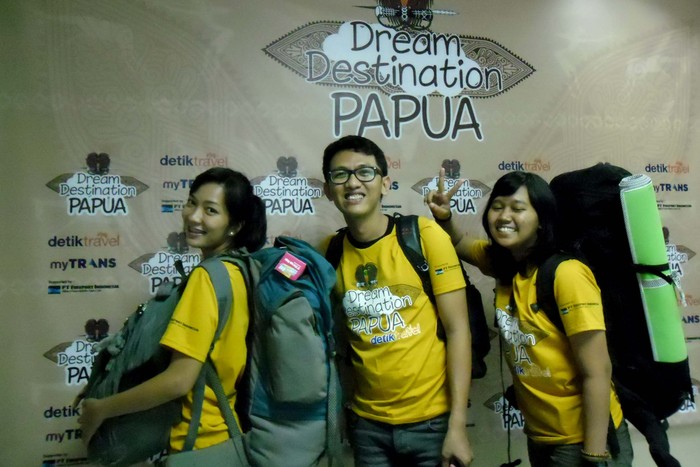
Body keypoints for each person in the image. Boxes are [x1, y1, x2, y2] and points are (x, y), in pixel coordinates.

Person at [426, 169, 634, 467]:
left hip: (584, 441)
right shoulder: (505, 263)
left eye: (518, 208)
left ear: (542, 220)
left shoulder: (567, 275)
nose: (504, 216)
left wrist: (594, 454)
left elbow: (597, 372)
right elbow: (459, 242)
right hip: (541, 438)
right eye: (497, 206)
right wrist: (445, 217)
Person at [76, 167, 267, 453]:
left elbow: (179, 380)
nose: (194, 216)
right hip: (225, 437)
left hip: (196, 441)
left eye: (211, 210)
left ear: (234, 226)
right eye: (192, 203)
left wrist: (102, 408)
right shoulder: (241, 270)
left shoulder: (207, 278)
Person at [321, 135, 473, 467]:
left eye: (365, 172)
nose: (353, 183)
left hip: (432, 422)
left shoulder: (424, 236)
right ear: (328, 190)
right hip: (367, 427)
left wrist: (458, 425)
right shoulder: (327, 253)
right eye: (340, 175)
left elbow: (458, 331)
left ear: (385, 184)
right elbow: (337, 342)